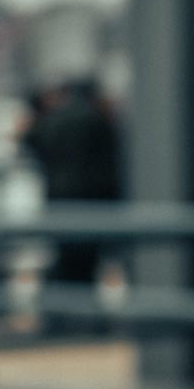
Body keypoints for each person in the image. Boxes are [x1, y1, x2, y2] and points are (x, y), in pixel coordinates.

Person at [20, 78, 121, 292]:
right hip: (94, 202)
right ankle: (85, 312)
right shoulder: (98, 118)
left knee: (65, 258)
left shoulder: (52, 119)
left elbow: (27, 141)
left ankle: (64, 309)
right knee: (89, 262)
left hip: (58, 199)